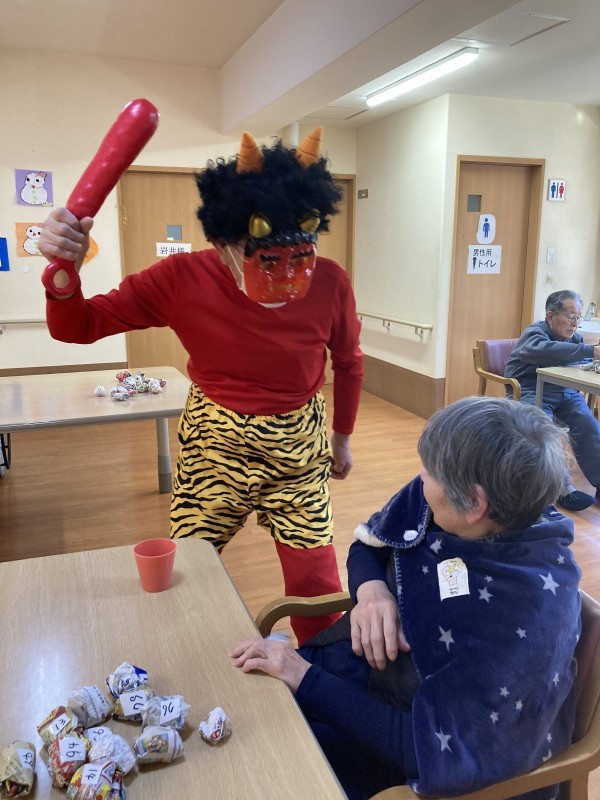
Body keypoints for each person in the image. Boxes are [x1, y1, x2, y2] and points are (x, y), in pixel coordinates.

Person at [38, 127, 364, 645]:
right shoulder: (180, 278)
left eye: (298, 257)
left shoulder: (330, 281)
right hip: (214, 446)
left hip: (297, 452)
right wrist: (64, 275)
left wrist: (342, 439)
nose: (284, 278)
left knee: (316, 588)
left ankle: (319, 679)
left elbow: (348, 362)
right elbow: (77, 327)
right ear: (222, 241)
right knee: (184, 572)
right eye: (265, 260)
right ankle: (184, 659)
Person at [231, 397, 581, 800]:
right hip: (367, 681)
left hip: (399, 752)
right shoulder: (462, 496)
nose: (420, 478)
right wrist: (372, 592)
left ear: (475, 503)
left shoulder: (522, 617)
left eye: (429, 473)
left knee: (255, 769)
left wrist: (304, 678)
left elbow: (423, 751)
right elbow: (369, 545)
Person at [505, 289, 600, 512]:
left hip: (565, 392)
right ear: (550, 316)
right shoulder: (535, 333)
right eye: (571, 316)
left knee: (589, 426)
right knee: (545, 432)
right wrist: (589, 350)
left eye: (578, 317)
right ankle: (561, 488)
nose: (575, 323)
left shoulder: (574, 338)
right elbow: (545, 350)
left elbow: (578, 361)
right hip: (530, 389)